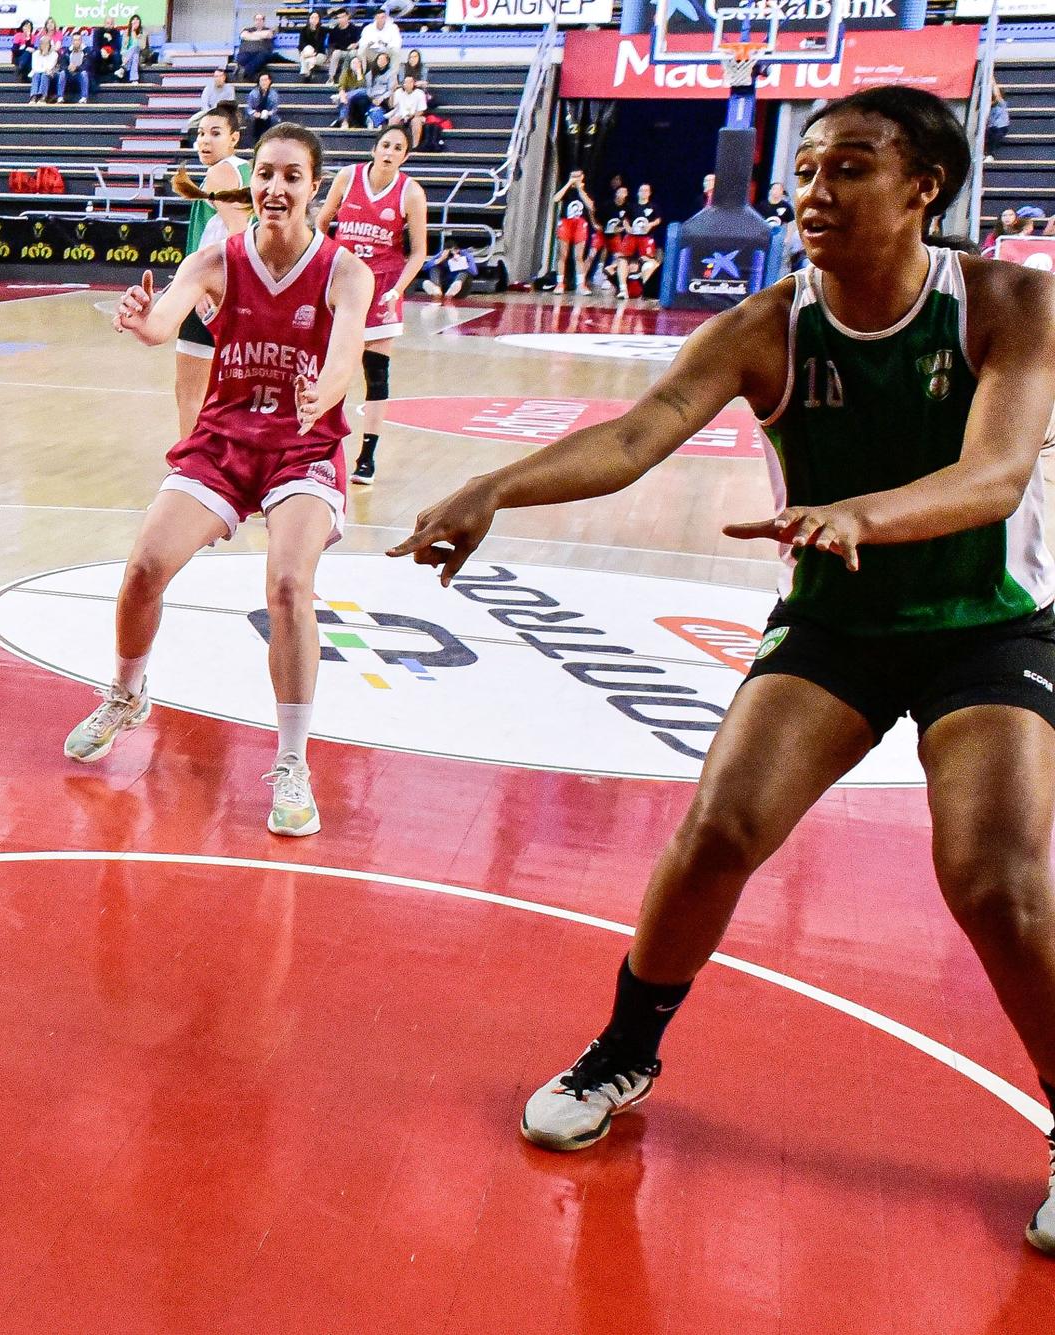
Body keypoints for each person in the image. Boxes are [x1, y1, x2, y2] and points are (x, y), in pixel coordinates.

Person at [387, 85, 1055, 1259]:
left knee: (993, 879)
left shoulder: (1009, 304)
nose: (811, 191)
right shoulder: (767, 324)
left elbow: (996, 474)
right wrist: (495, 487)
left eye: (849, 167)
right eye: (804, 169)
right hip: (838, 620)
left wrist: (864, 512)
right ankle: (622, 1052)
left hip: (987, 623)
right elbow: (635, 436)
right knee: (715, 829)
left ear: (924, 188)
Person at [65, 125, 369, 839]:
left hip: (304, 448)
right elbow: (167, 318)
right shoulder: (216, 260)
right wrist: (143, 324)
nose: (275, 188)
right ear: (249, 182)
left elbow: (347, 351)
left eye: (292, 176)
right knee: (144, 565)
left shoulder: (346, 272)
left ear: (313, 188)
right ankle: (127, 694)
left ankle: (292, 761)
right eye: (265, 174)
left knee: (289, 585)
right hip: (227, 439)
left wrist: (321, 392)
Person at [318, 121, 426, 487]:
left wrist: (398, 289)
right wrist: (321, 266)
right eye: (385, 145)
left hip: (382, 286)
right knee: (331, 367)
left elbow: (419, 253)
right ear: (374, 148)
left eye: (398, 148)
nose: (390, 152)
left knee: (376, 376)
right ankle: (319, 446)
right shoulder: (347, 178)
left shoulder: (411, 193)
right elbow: (321, 223)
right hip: (344, 282)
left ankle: (367, 456)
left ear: (405, 157)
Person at [169, 102, 251, 440]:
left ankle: (189, 466)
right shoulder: (249, 170)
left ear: (234, 138)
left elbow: (238, 234)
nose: (204, 141)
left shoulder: (222, 171)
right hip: (236, 290)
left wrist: (204, 288)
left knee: (189, 392)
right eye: (201, 134)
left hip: (212, 290)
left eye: (215, 133)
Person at [549, 169, 595, 295]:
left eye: (578, 176)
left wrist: (580, 189)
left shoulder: (586, 189)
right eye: (573, 176)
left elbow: (591, 206)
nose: (575, 178)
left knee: (578, 256)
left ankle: (581, 284)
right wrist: (569, 183)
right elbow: (555, 199)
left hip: (580, 223)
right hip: (566, 222)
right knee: (562, 255)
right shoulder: (566, 189)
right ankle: (559, 283)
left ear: (582, 177)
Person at [183, 66, 235, 140]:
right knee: (191, 122)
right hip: (208, 113)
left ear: (224, 77)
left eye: (220, 76)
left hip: (224, 114)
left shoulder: (229, 88)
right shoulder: (208, 89)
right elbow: (204, 106)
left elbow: (230, 104)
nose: (218, 78)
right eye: (216, 76)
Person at [234, 12, 276, 82]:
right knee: (243, 59)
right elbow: (243, 35)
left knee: (262, 57)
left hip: (262, 54)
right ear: (254, 21)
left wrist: (250, 36)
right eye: (257, 19)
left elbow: (268, 34)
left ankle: (245, 71)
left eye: (260, 20)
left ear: (263, 21)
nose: (258, 21)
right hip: (246, 53)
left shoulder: (269, 29)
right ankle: (250, 75)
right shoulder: (247, 29)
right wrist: (261, 36)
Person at [296, 12, 331, 83]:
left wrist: (312, 54)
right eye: (312, 17)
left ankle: (306, 75)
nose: (314, 19)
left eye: (316, 18)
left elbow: (320, 46)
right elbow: (301, 45)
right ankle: (308, 73)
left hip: (319, 55)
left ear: (319, 19)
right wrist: (305, 54)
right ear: (309, 19)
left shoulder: (322, 30)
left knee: (306, 59)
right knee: (307, 50)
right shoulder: (304, 30)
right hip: (307, 53)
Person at [244, 71, 278, 145]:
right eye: (262, 80)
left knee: (274, 120)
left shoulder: (274, 94)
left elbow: (275, 109)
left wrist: (268, 113)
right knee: (252, 121)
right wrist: (254, 113)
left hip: (269, 116)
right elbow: (249, 108)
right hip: (256, 116)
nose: (264, 82)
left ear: (269, 81)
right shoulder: (253, 93)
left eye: (266, 80)